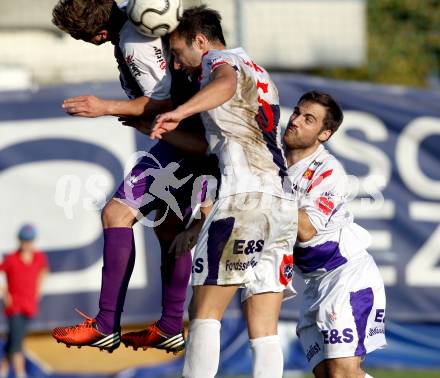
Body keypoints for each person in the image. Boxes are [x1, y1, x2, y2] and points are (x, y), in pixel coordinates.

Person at [51, 0, 216, 354]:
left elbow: (163, 101)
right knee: (169, 227)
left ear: (99, 33)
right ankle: (171, 325)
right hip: (190, 138)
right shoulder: (134, 11)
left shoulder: (133, 41)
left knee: (116, 213)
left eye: (83, 39)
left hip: (185, 140)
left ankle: (106, 325)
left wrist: (105, 107)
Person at [150, 6, 297, 378]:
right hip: (280, 203)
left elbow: (225, 84)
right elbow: (217, 143)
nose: (178, 64)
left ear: (200, 41)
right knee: (264, 329)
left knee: (203, 312)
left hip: (243, 197)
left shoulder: (221, 61)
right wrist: (159, 127)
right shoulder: (259, 72)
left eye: (178, 53)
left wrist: (180, 112)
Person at [283, 91, 386, 378]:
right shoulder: (273, 159)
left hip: (347, 276)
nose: (295, 121)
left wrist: (266, 192)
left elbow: (305, 230)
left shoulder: (329, 172)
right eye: (296, 113)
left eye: (309, 119)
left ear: (324, 133)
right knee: (328, 374)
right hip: (314, 285)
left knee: (342, 372)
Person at [0, 224, 49, 378]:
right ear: (19, 240)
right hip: (14, 306)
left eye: (29, 240)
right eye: (24, 240)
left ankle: (3, 369)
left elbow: (44, 270)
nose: (26, 243)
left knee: (15, 338)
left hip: (29, 305)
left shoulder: (39, 257)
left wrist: (38, 290)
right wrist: (5, 293)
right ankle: (20, 373)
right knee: (17, 342)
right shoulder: (11, 259)